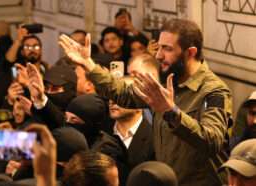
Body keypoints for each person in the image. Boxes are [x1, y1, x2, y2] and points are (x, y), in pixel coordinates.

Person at [59, 18, 233, 186]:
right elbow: (123, 93)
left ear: (190, 53)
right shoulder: (167, 80)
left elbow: (213, 141)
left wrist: (171, 112)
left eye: (167, 49)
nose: (158, 55)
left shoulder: (214, 91)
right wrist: (88, 64)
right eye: (159, 47)